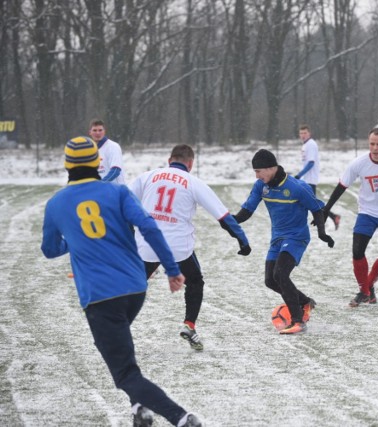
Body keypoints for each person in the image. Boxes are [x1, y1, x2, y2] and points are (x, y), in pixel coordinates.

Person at [41, 137, 202, 427]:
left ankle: (182, 418)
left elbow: (49, 249)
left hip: (101, 295)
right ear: (97, 163)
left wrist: (74, 241)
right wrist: (170, 268)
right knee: (120, 349)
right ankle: (139, 409)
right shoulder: (117, 193)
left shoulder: (56, 204)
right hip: (134, 287)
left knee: (124, 371)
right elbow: (149, 226)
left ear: (66, 165)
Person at [128, 144, 251, 351]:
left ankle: (117, 326)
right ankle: (189, 325)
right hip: (177, 247)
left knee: (135, 284)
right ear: (191, 163)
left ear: (169, 160)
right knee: (195, 282)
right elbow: (222, 216)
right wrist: (242, 240)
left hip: (147, 244)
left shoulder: (149, 176)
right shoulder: (193, 183)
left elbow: (121, 200)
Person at [234, 149, 334, 334]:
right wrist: (227, 220)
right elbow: (247, 212)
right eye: (255, 171)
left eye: (259, 171)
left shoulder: (297, 187)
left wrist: (322, 233)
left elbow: (318, 209)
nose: (256, 175)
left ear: (271, 168)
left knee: (281, 274)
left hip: (297, 237)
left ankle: (298, 321)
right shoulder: (260, 186)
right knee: (270, 280)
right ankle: (305, 302)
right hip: (277, 238)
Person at [320, 127, 378, 307]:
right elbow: (342, 186)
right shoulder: (359, 163)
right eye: (372, 144)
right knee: (357, 251)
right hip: (367, 213)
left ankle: (369, 285)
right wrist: (326, 209)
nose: (375, 148)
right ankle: (364, 291)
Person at [294, 124, 341, 229]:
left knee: (311, 203)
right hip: (307, 180)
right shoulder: (306, 145)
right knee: (312, 203)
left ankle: (328, 219)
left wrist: (299, 175)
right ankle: (332, 217)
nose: (303, 135)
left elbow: (311, 163)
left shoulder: (311, 144)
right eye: (301, 133)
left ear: (309, 133)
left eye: (305, 133)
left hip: (310, 179)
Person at [89, 119, 126, 184]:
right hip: (100, 191)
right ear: (90, 132)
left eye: (100, 130)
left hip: (115, 190)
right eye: (94, 130)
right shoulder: (89, 150)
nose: (98, 133)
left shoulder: (113, 146)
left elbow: (116, 171)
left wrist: (101, 184)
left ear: (104, 132)